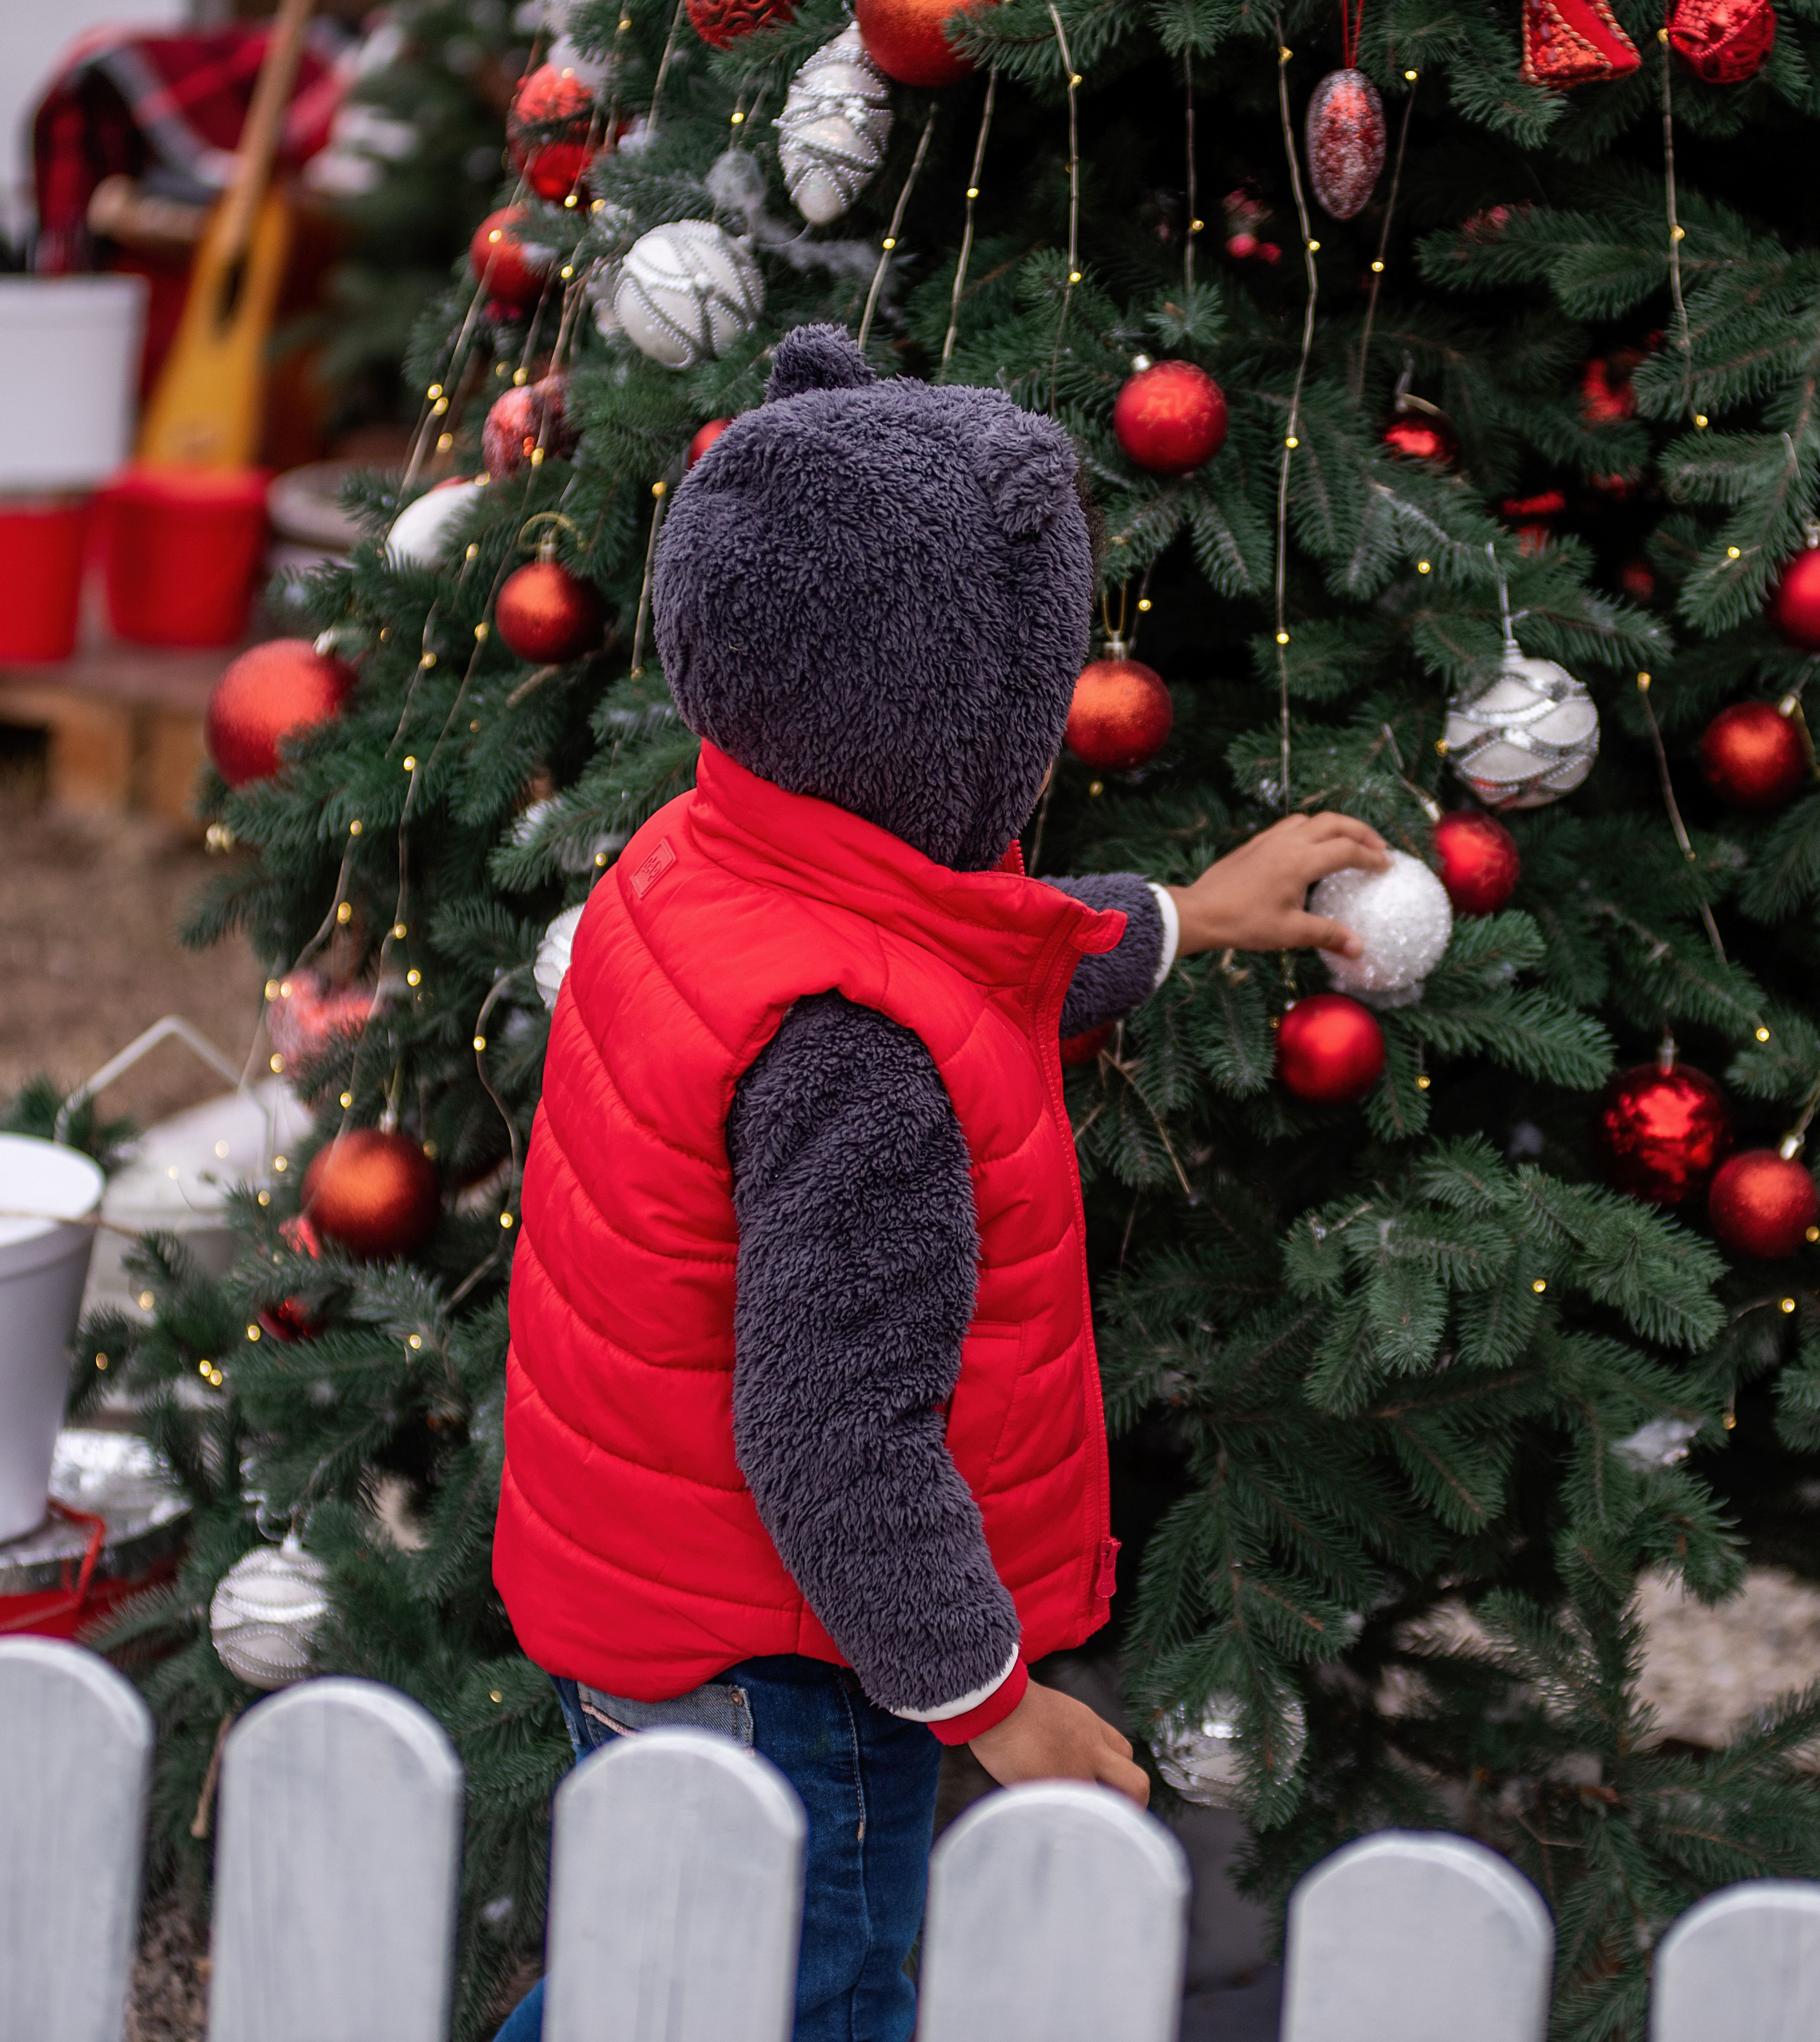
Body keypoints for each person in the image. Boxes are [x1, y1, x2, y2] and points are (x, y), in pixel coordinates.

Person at [489, 324, 1389, 2042]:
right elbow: (829, 1433)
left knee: (654, 1978)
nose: (1048, 736)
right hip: (787, 1665)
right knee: (793, 2004)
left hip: (641, 1599)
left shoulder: (704, 852)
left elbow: (961, 944)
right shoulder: (855, 1053)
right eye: (1034, 689)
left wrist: (1185, 915)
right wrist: (991, 1704)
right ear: (940, 700)